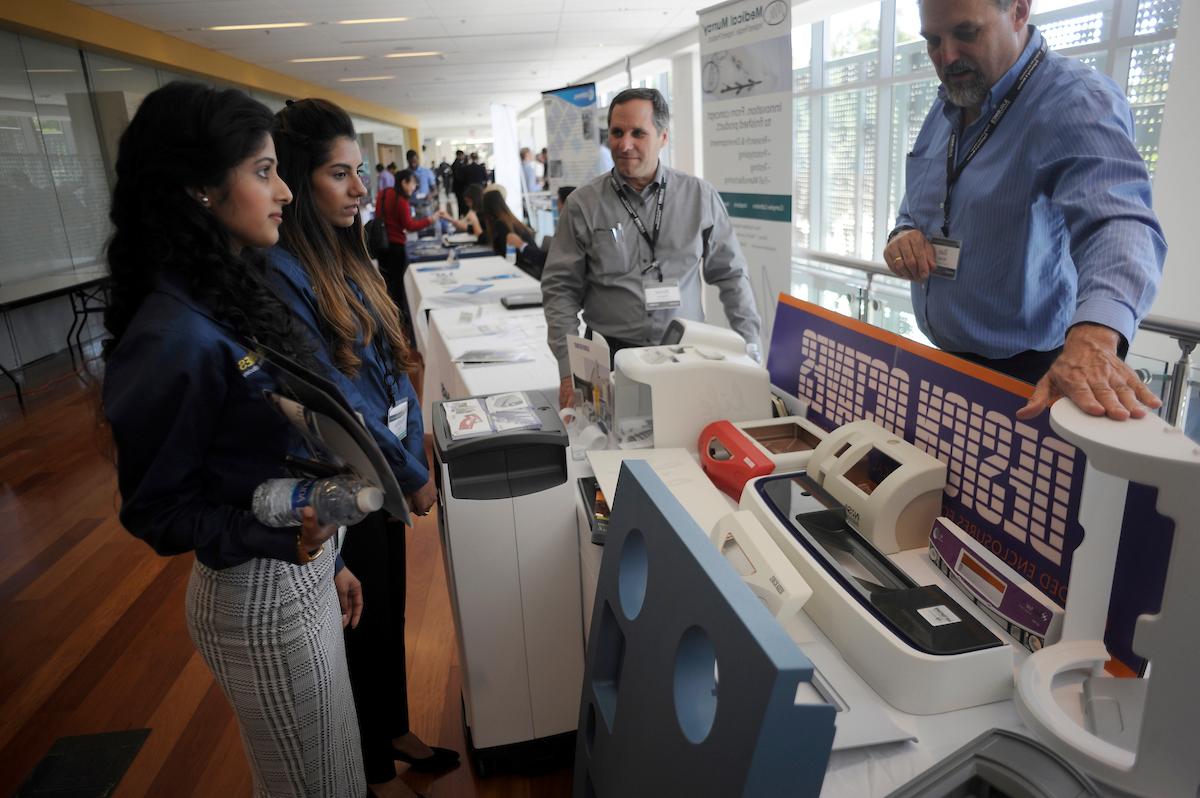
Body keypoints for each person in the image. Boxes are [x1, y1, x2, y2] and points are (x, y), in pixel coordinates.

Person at [101, 82, 366, 797]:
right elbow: (158, 511)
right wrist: (285, 545)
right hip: (258, 600)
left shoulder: (228, 290)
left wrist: (324, 555)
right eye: (262, 171)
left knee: (340, 774)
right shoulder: (171, 335)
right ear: (198, 187)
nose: (283, 191)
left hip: (302, 576)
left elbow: (257, 457)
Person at [270, 98, 457, 798]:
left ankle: (395, 730)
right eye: (338, 174)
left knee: (390, 610)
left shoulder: (350, 253)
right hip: (345, 475)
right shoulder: (286, 274)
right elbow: (337, 398)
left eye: (358, 172)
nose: (358, 189)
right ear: (297, 180)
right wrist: (408, 467)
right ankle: (372, 766)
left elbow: (389, 369)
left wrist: (414, 447)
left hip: (384, 462)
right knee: (361, 620)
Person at [884, 0, 1166, 421]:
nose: (946, 57)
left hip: (1026, 376)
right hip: (944, 359)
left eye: (966, 33)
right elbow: (928, 192)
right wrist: (902, 230)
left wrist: (1096, 334)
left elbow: (1118, 221)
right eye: (933, 41)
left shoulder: (1075, 101)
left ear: (1018, 11)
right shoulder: (949, 103)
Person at [541, 87, 762, 408]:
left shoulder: (699, 197)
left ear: (663, 137)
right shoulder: (583, 205)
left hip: (687, 355)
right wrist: (568, 369)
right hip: (608, 358)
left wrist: (751, 348)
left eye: (638, 133)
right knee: (606, 453)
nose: (624, 143)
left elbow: (731, 276)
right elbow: (560, 290)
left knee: (683, 444)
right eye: (617, 132)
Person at [374, 168, 450, 326]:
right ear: (404, 182)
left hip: (381, 244)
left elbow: (378, 215)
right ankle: (399, 319)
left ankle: (387, 315)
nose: (414, 187)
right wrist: (431, 219)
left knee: (387, 281)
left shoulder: (384, 193)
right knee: (398, 284)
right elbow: (410, 226)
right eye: (413, 184)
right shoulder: (401, 201)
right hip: (396, 247)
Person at [480, 189, 546, 279]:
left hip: (524, 271)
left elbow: (505, 255)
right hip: (531, 268)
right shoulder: (512, 222)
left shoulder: (500, 225)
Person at [405, 149, 437, 218]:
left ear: (418, 159)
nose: (413, 165)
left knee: (431, 227)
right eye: (411, 162)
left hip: (426, 207)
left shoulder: (427, 172)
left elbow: (435, 190)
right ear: (407, 160)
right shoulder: (405, 174)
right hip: (411, 208)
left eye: (415, 162)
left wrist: (430, 195)